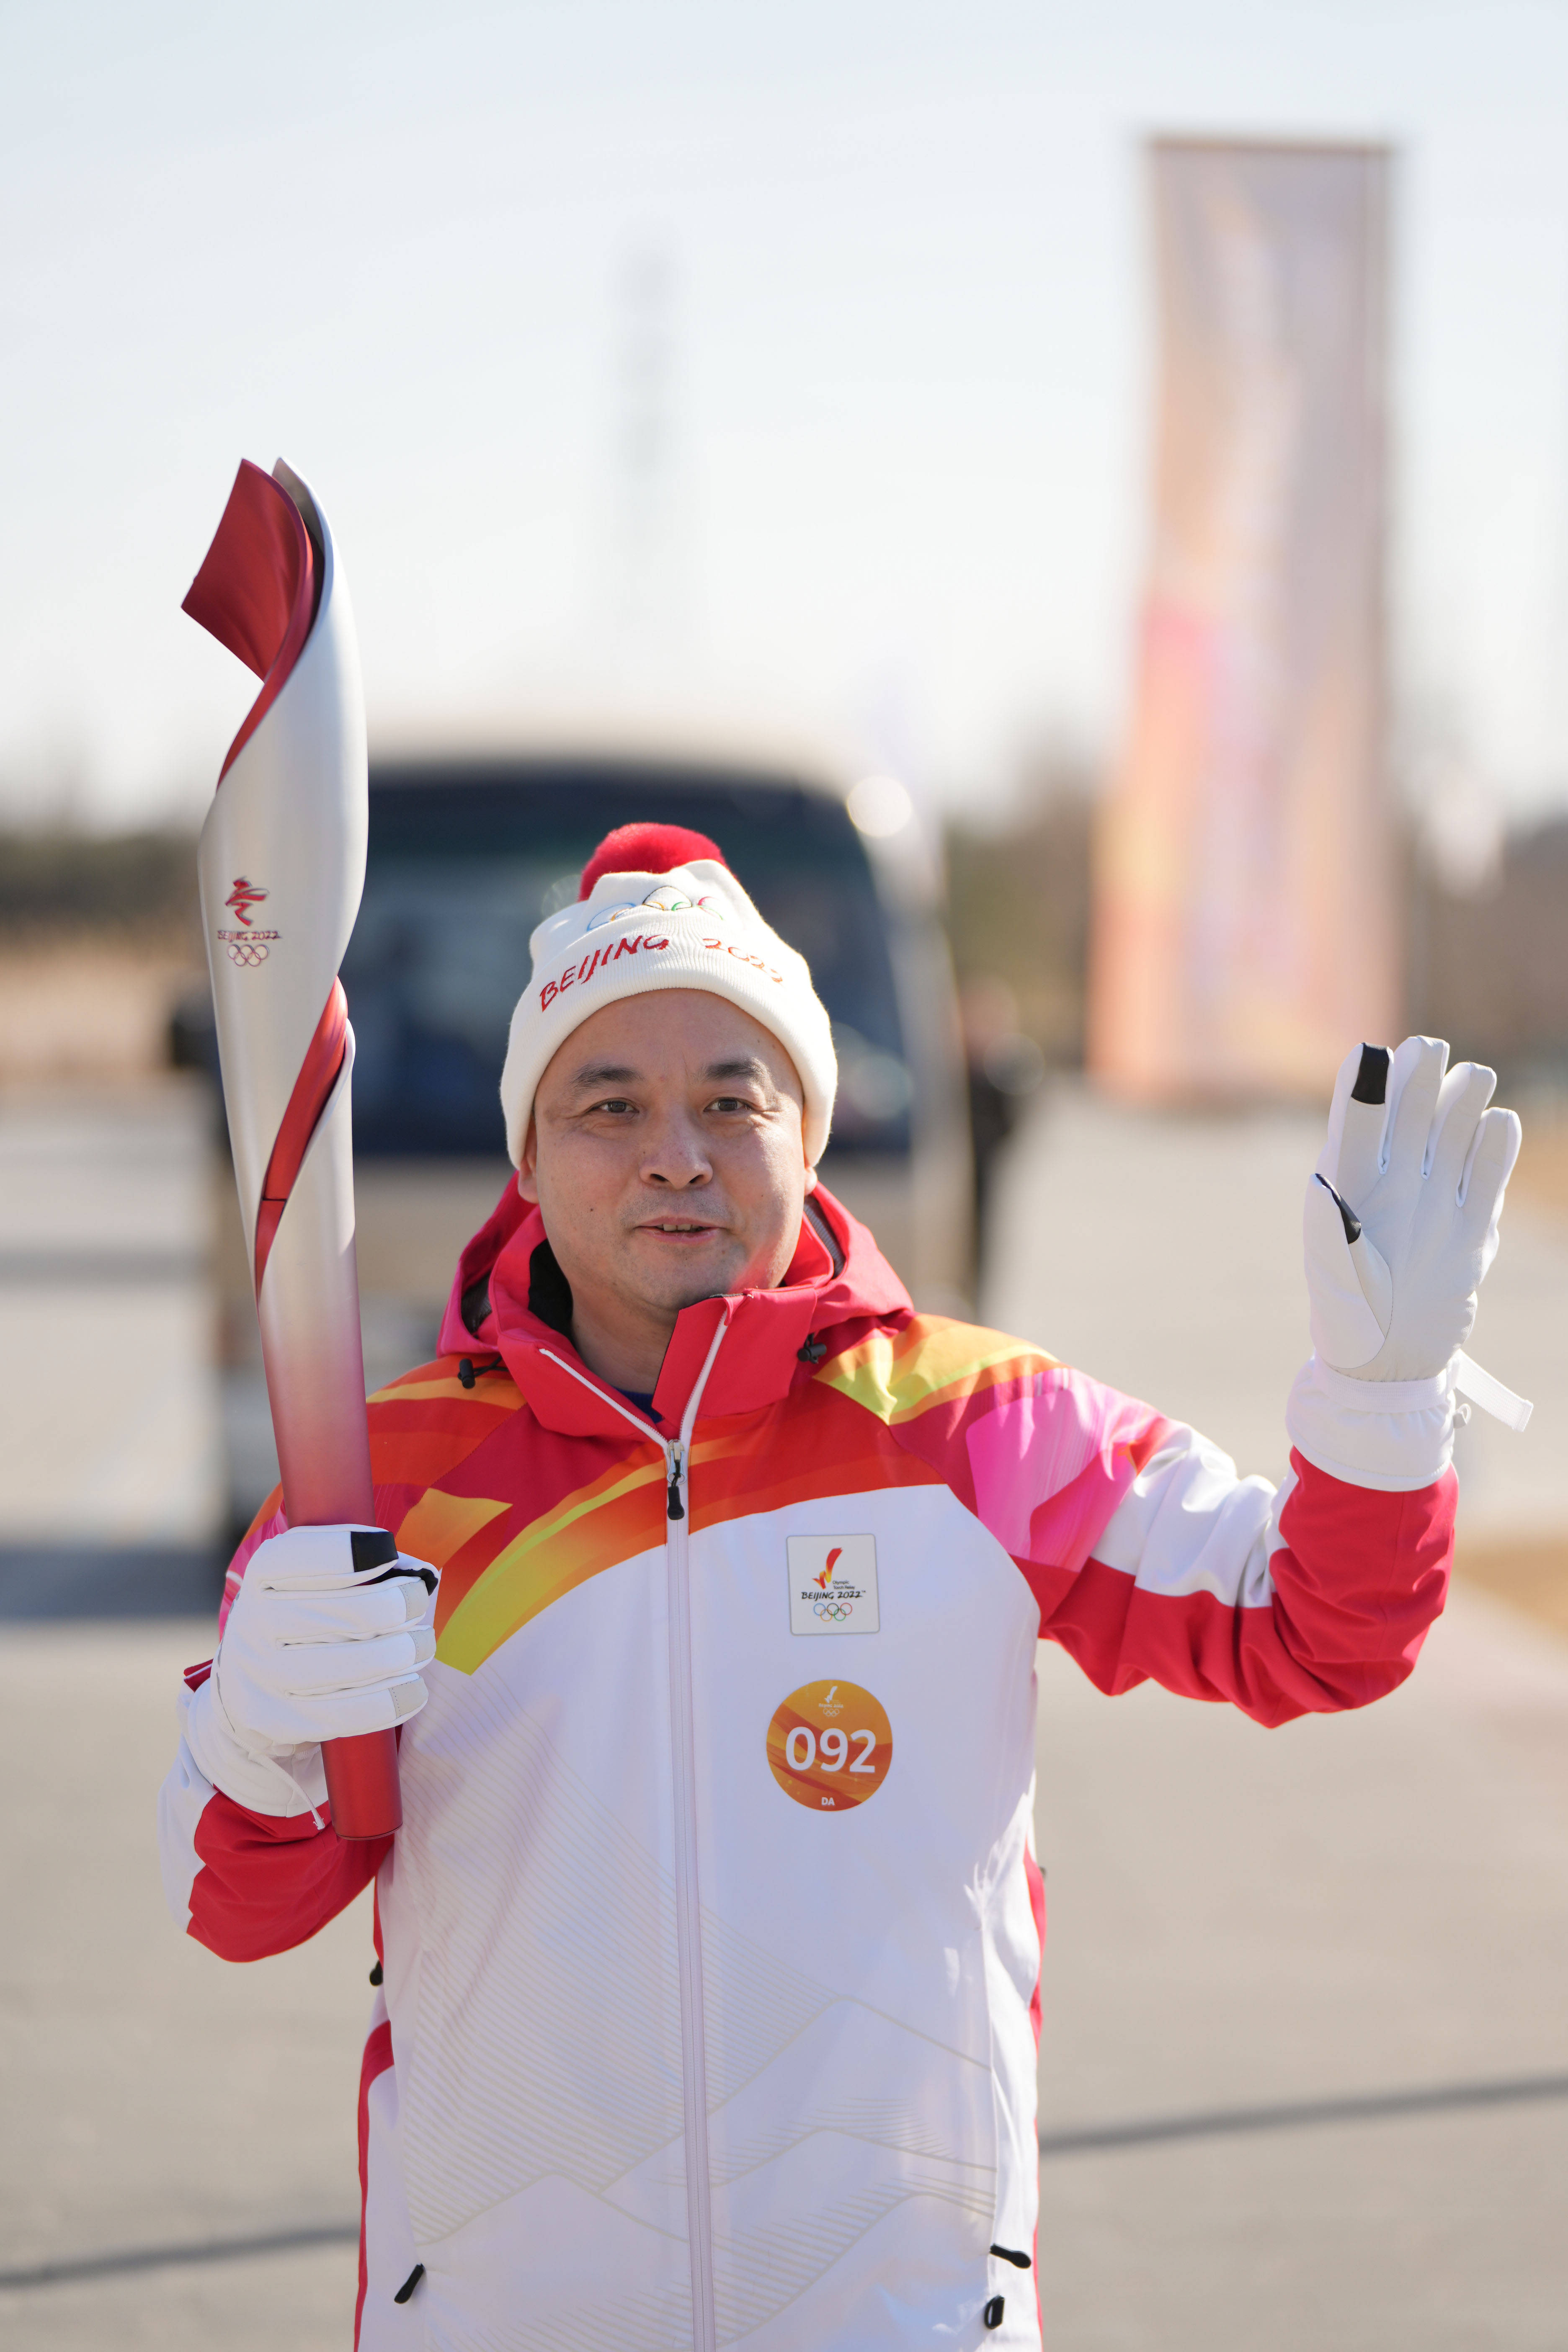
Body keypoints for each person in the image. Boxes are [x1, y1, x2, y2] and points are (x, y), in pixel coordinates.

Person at [159, 822, 1524, 2352]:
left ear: (806, 1135)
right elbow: (236, 1900)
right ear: (528, 1159)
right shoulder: (389, 1483)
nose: (676, 1150)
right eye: (609, 1103)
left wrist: (1383, 1409)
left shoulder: (981, 1430)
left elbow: (1314, 1633)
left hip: (901, 2316)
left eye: (730, 1101)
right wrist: (258, 1739)